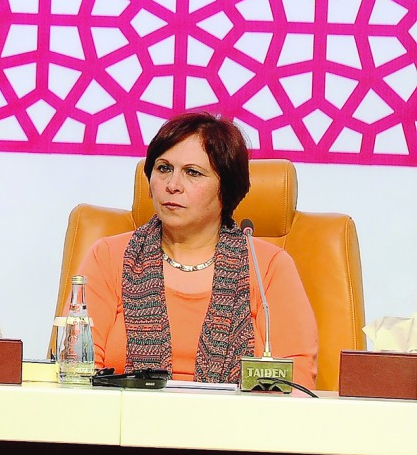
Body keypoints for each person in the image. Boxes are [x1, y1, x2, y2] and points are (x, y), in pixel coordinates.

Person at [78, 112, 318, 387]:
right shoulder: (108, 257)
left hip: (239, 425)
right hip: (124, 423)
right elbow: (79, 371)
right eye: (164, 168)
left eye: (193, 173)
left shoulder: (268, 267)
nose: (172, 185)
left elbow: (295, 379)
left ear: (225, 190)